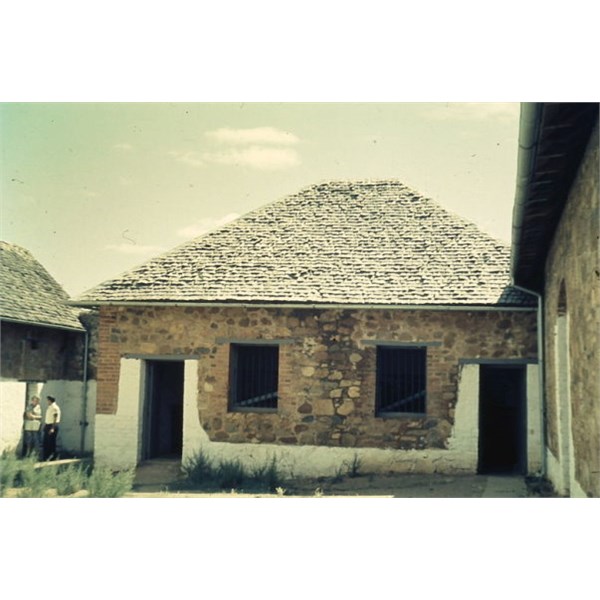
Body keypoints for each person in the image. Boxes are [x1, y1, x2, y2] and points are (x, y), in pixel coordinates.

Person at [42, 395, 61, 461]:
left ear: (50, 400)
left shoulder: (54, 407)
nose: (47, 401)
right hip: (48, 425)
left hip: (52, 425)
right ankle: (46, 456)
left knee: (51, 442)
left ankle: (52, 457)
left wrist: (52, 428)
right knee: (46, 442)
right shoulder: (50, 407)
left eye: (48, 400)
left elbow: (55, 418)